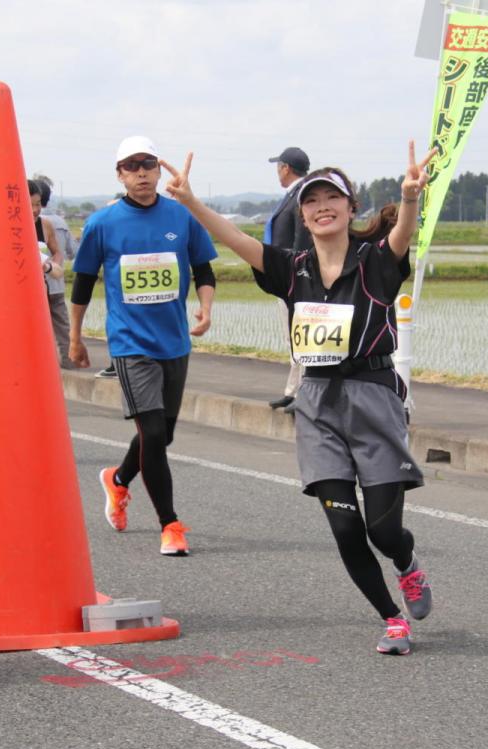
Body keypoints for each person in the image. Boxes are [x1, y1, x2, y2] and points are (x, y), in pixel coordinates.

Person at [161, 143, 435, 654]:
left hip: (373, 399)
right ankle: (392, 619)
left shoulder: (375, 262)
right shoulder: (293, 269)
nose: (322, 205)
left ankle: (406, 563)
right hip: (317, 404)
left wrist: (411, 198)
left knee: (384, 529)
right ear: (302, 214)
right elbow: (236, 239)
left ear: (352, 208)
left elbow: (402, 235)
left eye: (334, 197)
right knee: (344, 525)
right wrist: (191, 203)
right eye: (312, 200)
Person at [70, 135, 217, 557]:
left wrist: (205, 310)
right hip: (130, 343)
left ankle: (117, 480)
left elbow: (204, 269)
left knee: (161, 435)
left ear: (158, 169)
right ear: (120, 174)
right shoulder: (103, 223)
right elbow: (82, 282)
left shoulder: (181, 216)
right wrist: (76, 337)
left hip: (174, 341)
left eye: (148, 165)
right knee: (151, 431)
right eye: (131, 166)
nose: (141, 173)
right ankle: (170, 525)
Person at [264, 146, 312, 412]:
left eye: (278, 166)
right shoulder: (293, 193)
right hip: (284, 277)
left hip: (293, 278)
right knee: (292, 338)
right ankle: (293, 390)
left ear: (285, 167)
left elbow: (300, 241)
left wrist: (296, 273)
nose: (277, 172)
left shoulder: (301, 194)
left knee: (299, 337)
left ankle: (302, 393)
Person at [36, 178, 79, 368]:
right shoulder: (60, 221)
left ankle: (43, 364)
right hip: (57, 283)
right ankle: (69, 362)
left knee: (37, 328)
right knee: (62, 325)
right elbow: (72, 252)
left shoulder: (40, 223)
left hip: (39, 285)